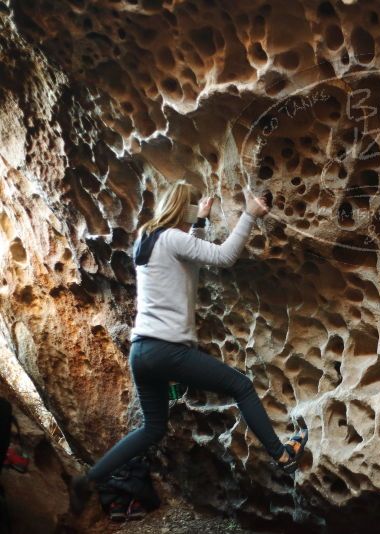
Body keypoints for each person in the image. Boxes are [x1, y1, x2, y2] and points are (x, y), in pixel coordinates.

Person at [68, 180, 308, 515]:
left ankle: (89, 480)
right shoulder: (172, 238)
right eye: (192, 209)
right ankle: (283, 456)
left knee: (152, 428)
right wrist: (250, 215)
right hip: (168, 351)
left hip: (142, 352)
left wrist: (200, 222)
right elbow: (223, 257)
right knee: (241, 386)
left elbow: (186, 260)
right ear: (182, 210)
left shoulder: (146, 241)